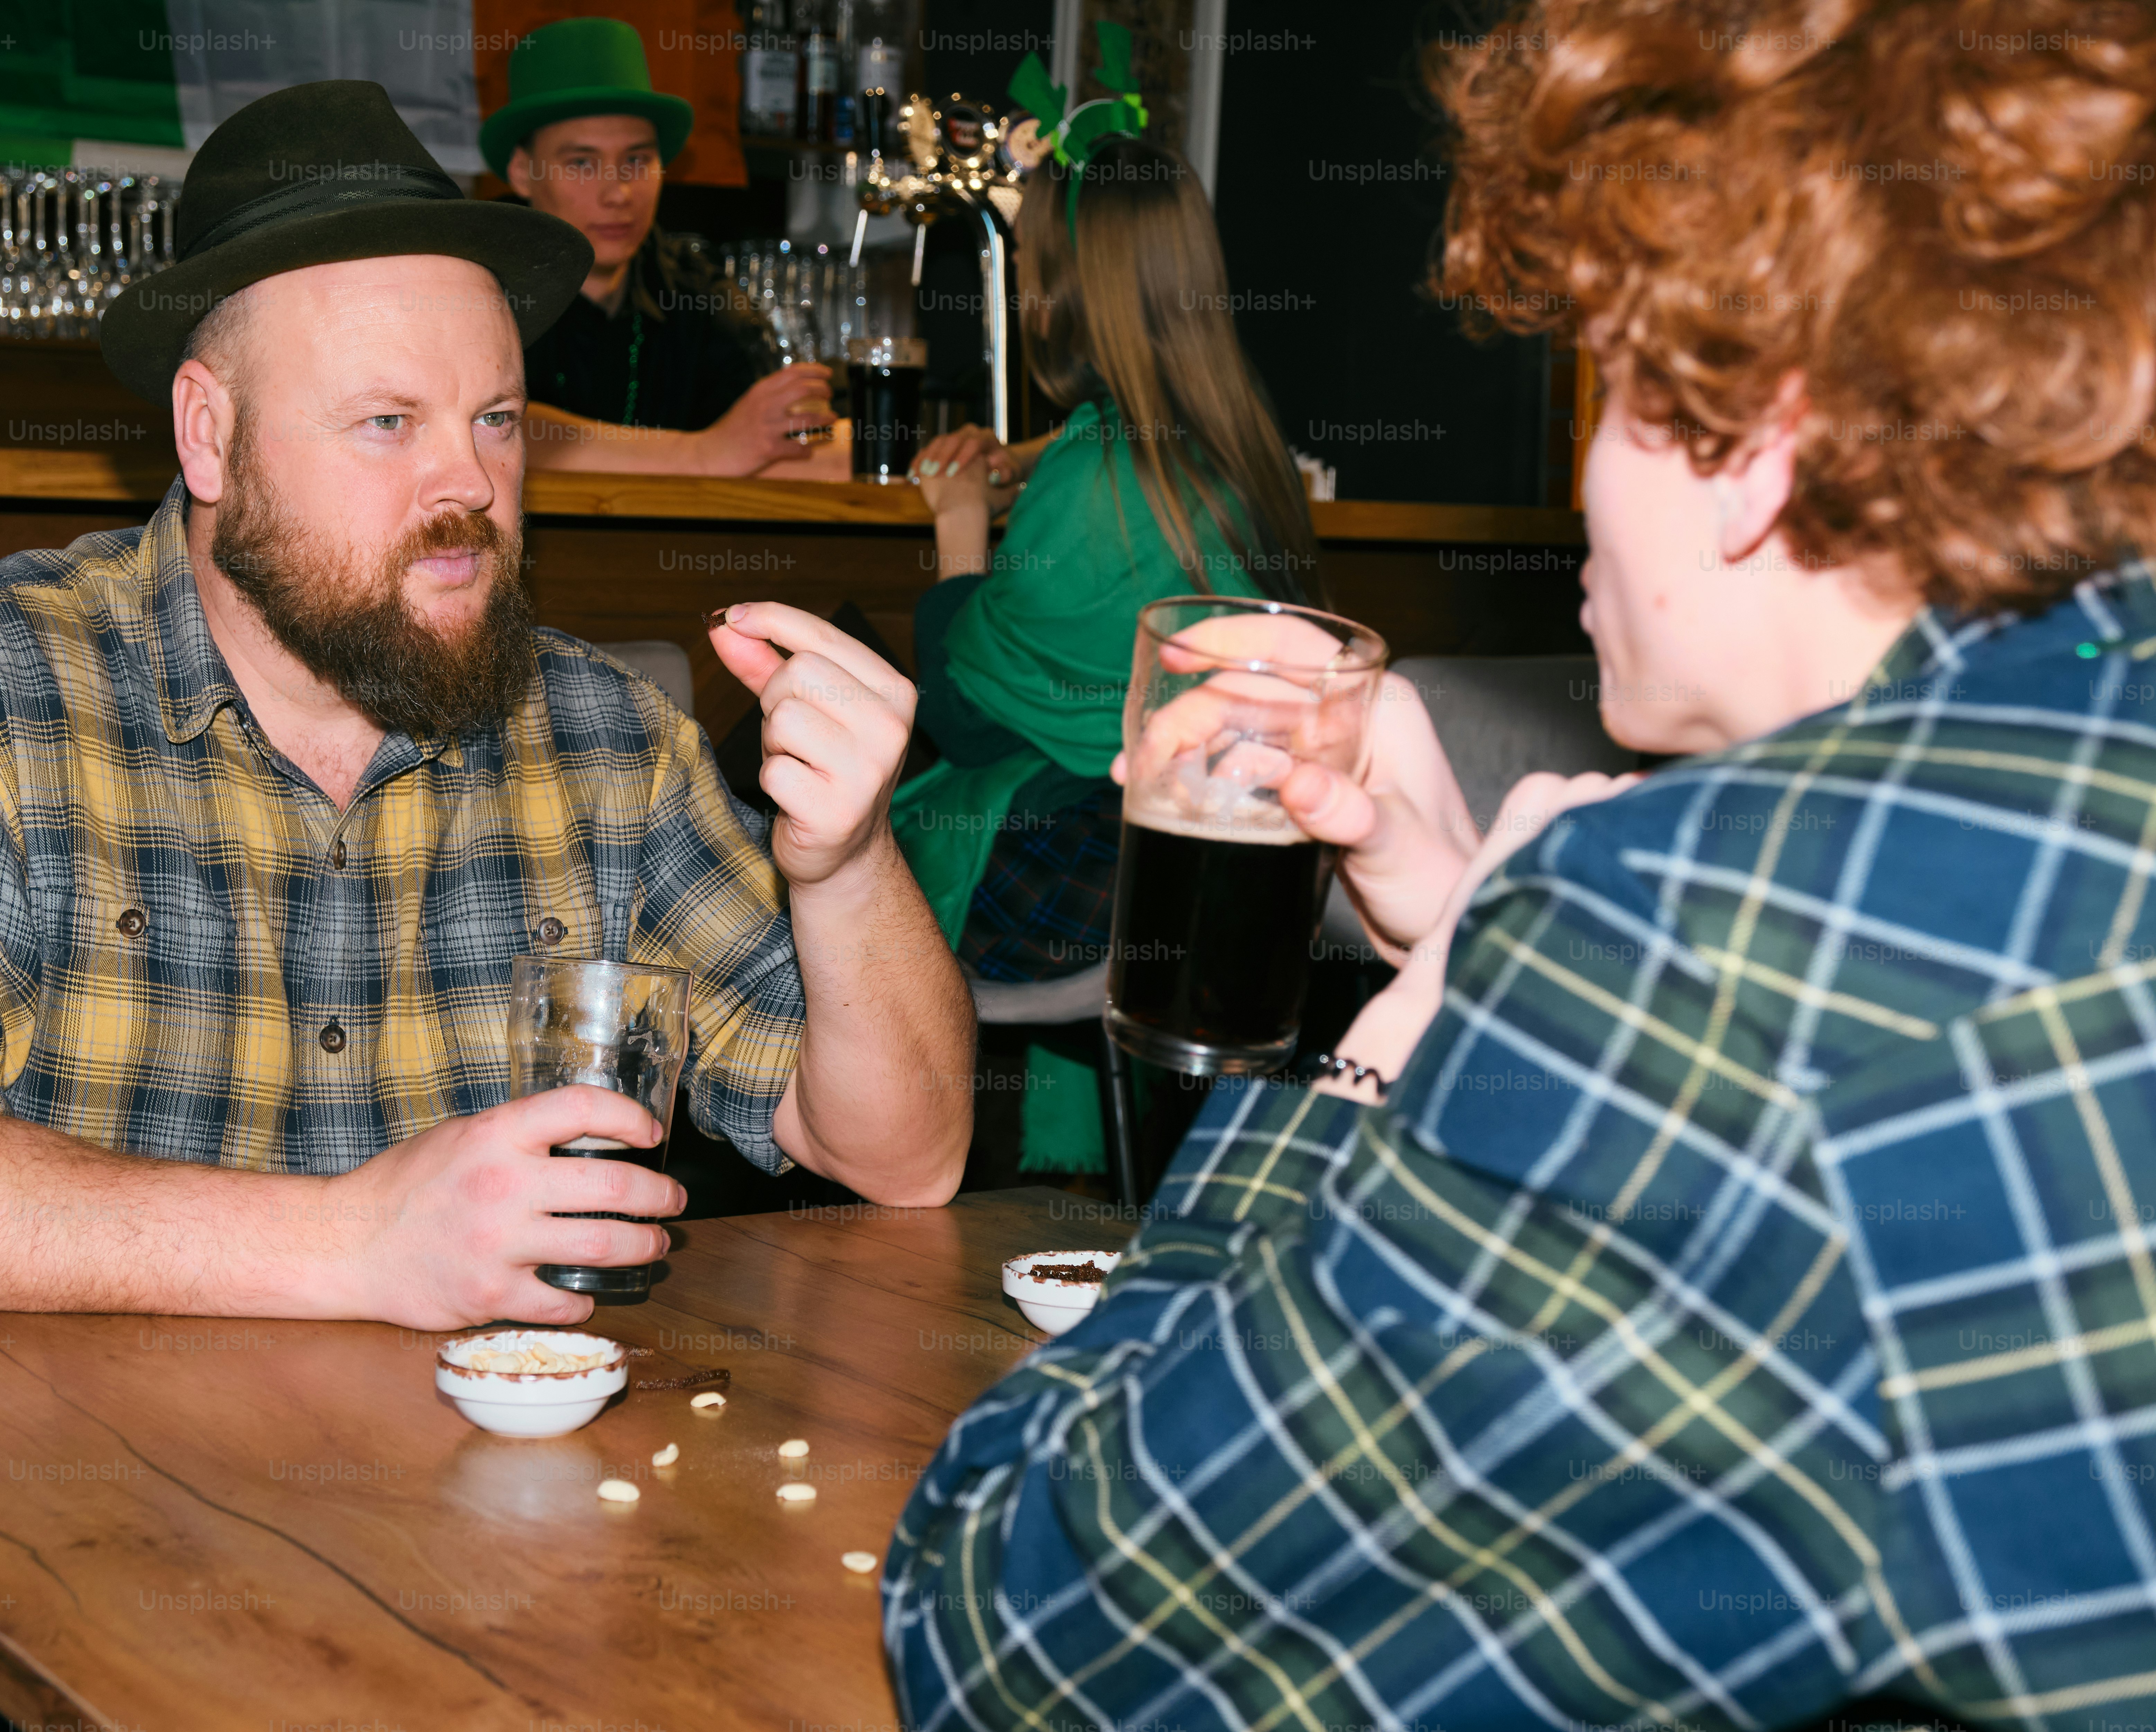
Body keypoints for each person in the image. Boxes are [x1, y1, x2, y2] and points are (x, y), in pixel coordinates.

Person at [885, 2, 2156, 1726]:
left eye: (1616, 383)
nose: (1582, 479)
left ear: (1750, 452)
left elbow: (1029, 1640)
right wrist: (1481, 908)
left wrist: (1410, 1032)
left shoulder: (1703, 951)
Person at [0, 81, 973, 1727]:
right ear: (209, 434)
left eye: (497, 422)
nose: (468, 490)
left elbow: (902, 1147)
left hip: (496, 1587)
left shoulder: (599, 737)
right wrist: (355, 1239)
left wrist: (847, 859)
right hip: (38, 1572)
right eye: (389, 424)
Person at [893, 129, 1323, 1173]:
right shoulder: (1238, 447)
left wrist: (957, 526)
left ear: (1069, 295)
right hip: (1210, 876)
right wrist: (1033, 457)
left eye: (1038, 270)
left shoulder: (1097, 488)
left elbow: (959, 707)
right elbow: (1113, 443)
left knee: (800, 825)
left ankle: (850, 1155)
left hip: (1085, 887)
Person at [477, 17, 842, 477]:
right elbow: (486, 430)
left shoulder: (693, 286)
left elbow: (793, 435)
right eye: (583, 164)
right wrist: (703, 453)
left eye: (637, 160)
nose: (619, 194)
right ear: (522, 172)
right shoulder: (477, 289)